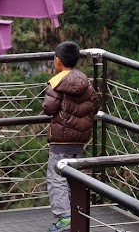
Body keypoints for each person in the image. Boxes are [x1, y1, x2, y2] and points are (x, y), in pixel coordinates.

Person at [43, 41, 99, 232]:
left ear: (57, 61)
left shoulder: (57, 82)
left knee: (56, 177)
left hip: (60, 140)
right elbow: (94, 106)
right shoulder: (86, 82)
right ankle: (75, 215)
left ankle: (64, 217)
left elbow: (48, 108)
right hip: (80, 139)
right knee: (73, 176)